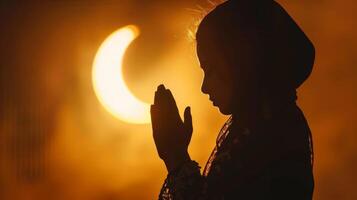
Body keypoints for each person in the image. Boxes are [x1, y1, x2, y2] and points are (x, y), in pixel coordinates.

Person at [150, 0, 315, 199]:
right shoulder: (257, 129)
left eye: (211, 70)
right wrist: (176, 155)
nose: (204, 87)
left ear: (242, 60)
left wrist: (176, 157)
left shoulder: (271, 138)